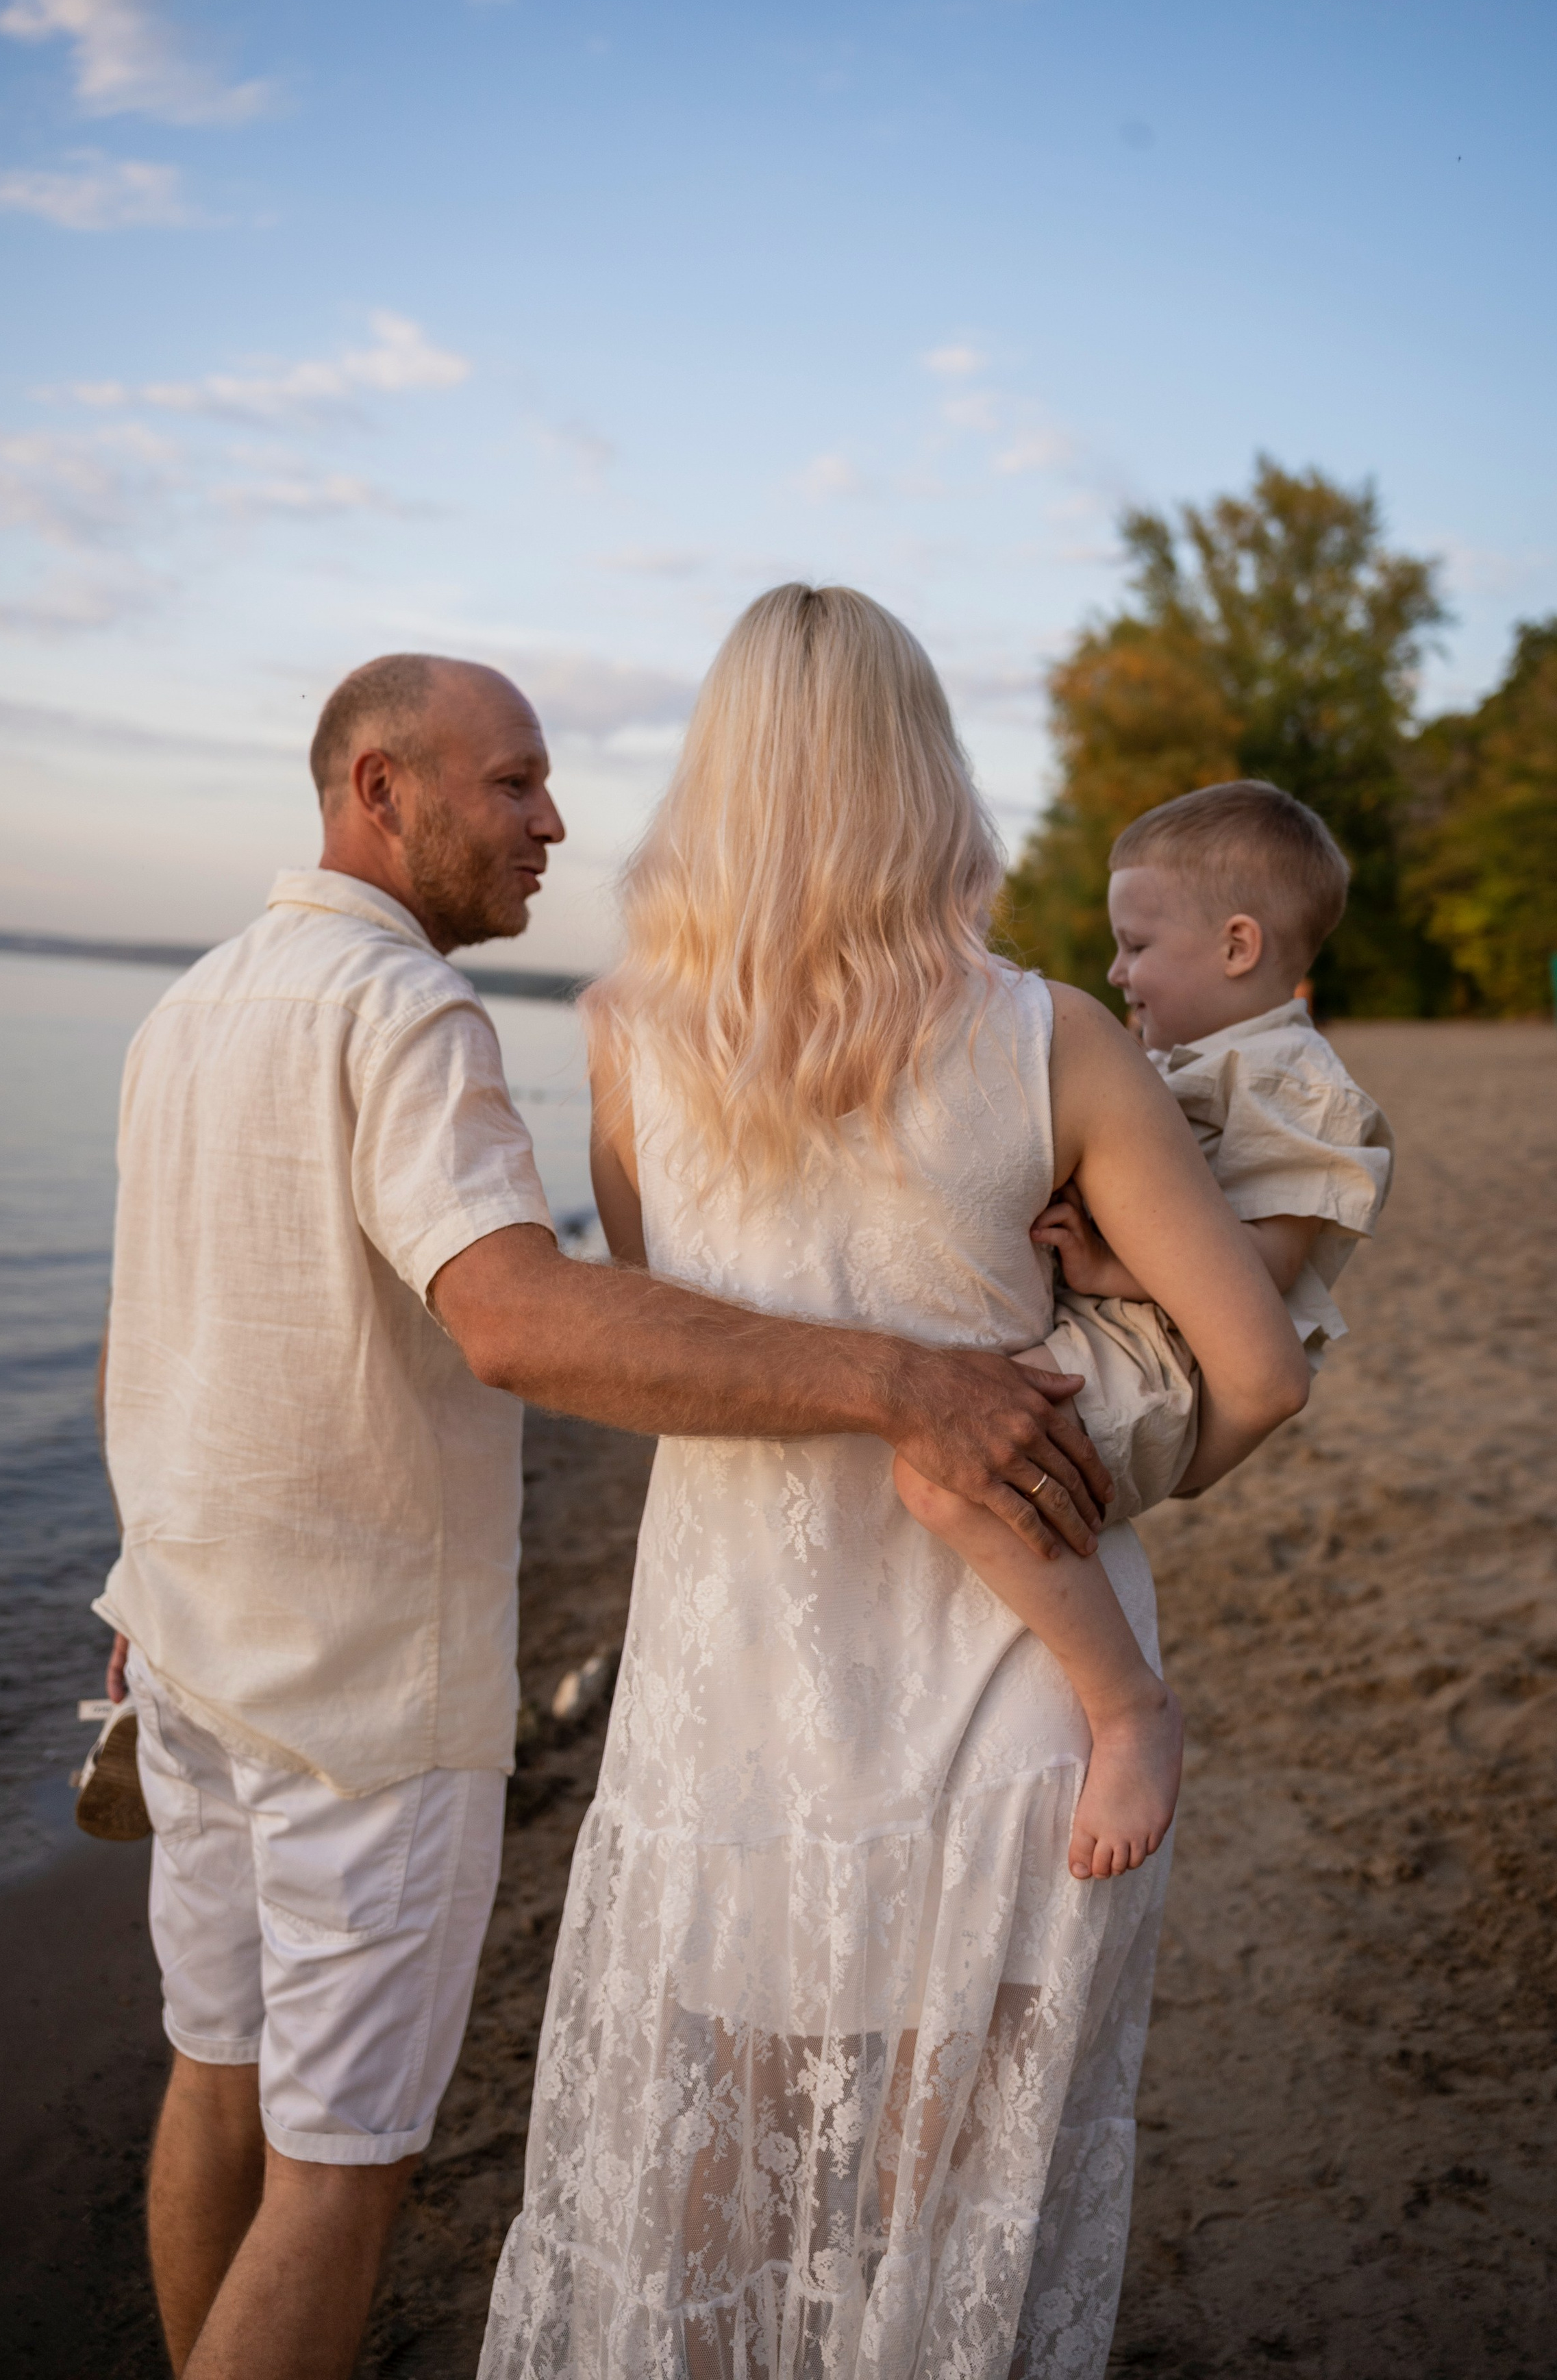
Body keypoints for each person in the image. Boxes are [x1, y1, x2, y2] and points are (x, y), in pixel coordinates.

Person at [94, 652, 1116, 2380]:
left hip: (181, 1645)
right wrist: (897, 1377)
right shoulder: (402, 1009)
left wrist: (130, 1583)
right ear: (378, 790)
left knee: (219, 2075)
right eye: (510, 783)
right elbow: (515, 1316)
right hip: (356, 1696)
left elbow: (160, 1329)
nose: (552, 821)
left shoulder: (190, 1005)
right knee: (339, 2176)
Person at [478, 588, 1309, 2380]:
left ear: (723, 778)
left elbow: (677, 1352)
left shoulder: (626, 1029)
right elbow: (1257, 1370)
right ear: (928, 775)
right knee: (941, 2250)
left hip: (735, 1719)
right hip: (1023, 1722)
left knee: (729, 2234)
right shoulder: (1056, 1035)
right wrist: (1092, 1495)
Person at [893, 779, 1394, 1885]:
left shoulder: (1304, 1094)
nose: (1116, 972)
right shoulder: (1179, 1065)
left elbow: (1255, 1280)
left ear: (1237, 944)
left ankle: (1130, 1710)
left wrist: (1108, 1257)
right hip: (1120, 1339)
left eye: (1135, 944)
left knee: (946, 1472)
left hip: (1165, 1368)